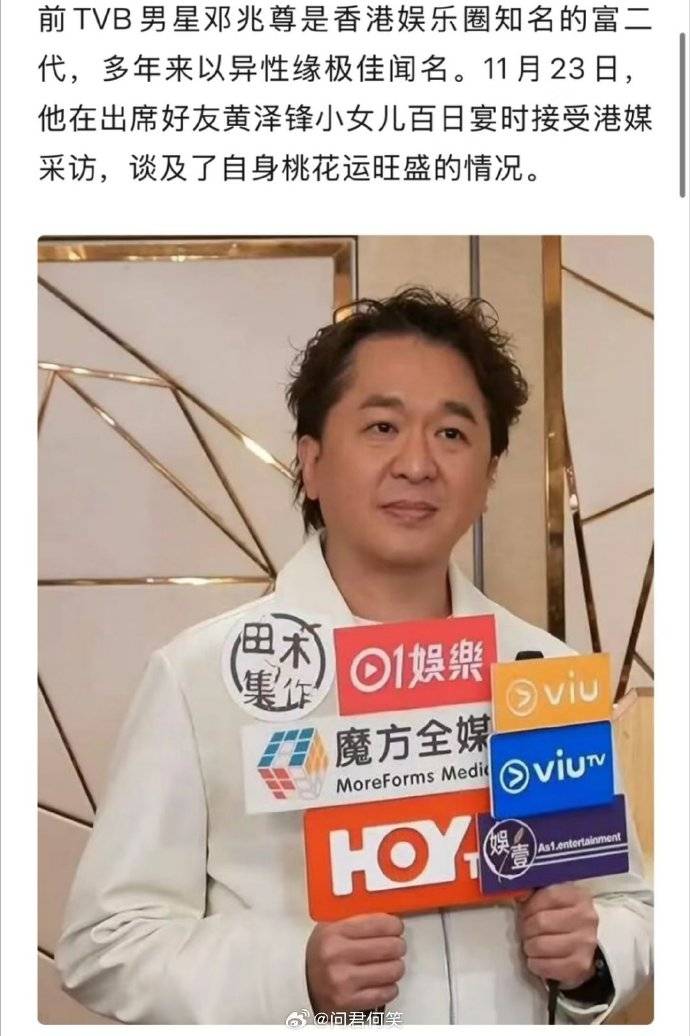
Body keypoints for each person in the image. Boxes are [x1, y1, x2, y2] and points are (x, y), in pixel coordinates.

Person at [56, 288, 652, 1024]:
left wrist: (594, 954)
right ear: (311, 462)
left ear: (490, 476)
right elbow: (106, 943)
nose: (417, 463)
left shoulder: (542, 672)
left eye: (452, 433)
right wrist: (294, 971)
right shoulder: (203, 676)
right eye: (382, 426)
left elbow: (630, 904)